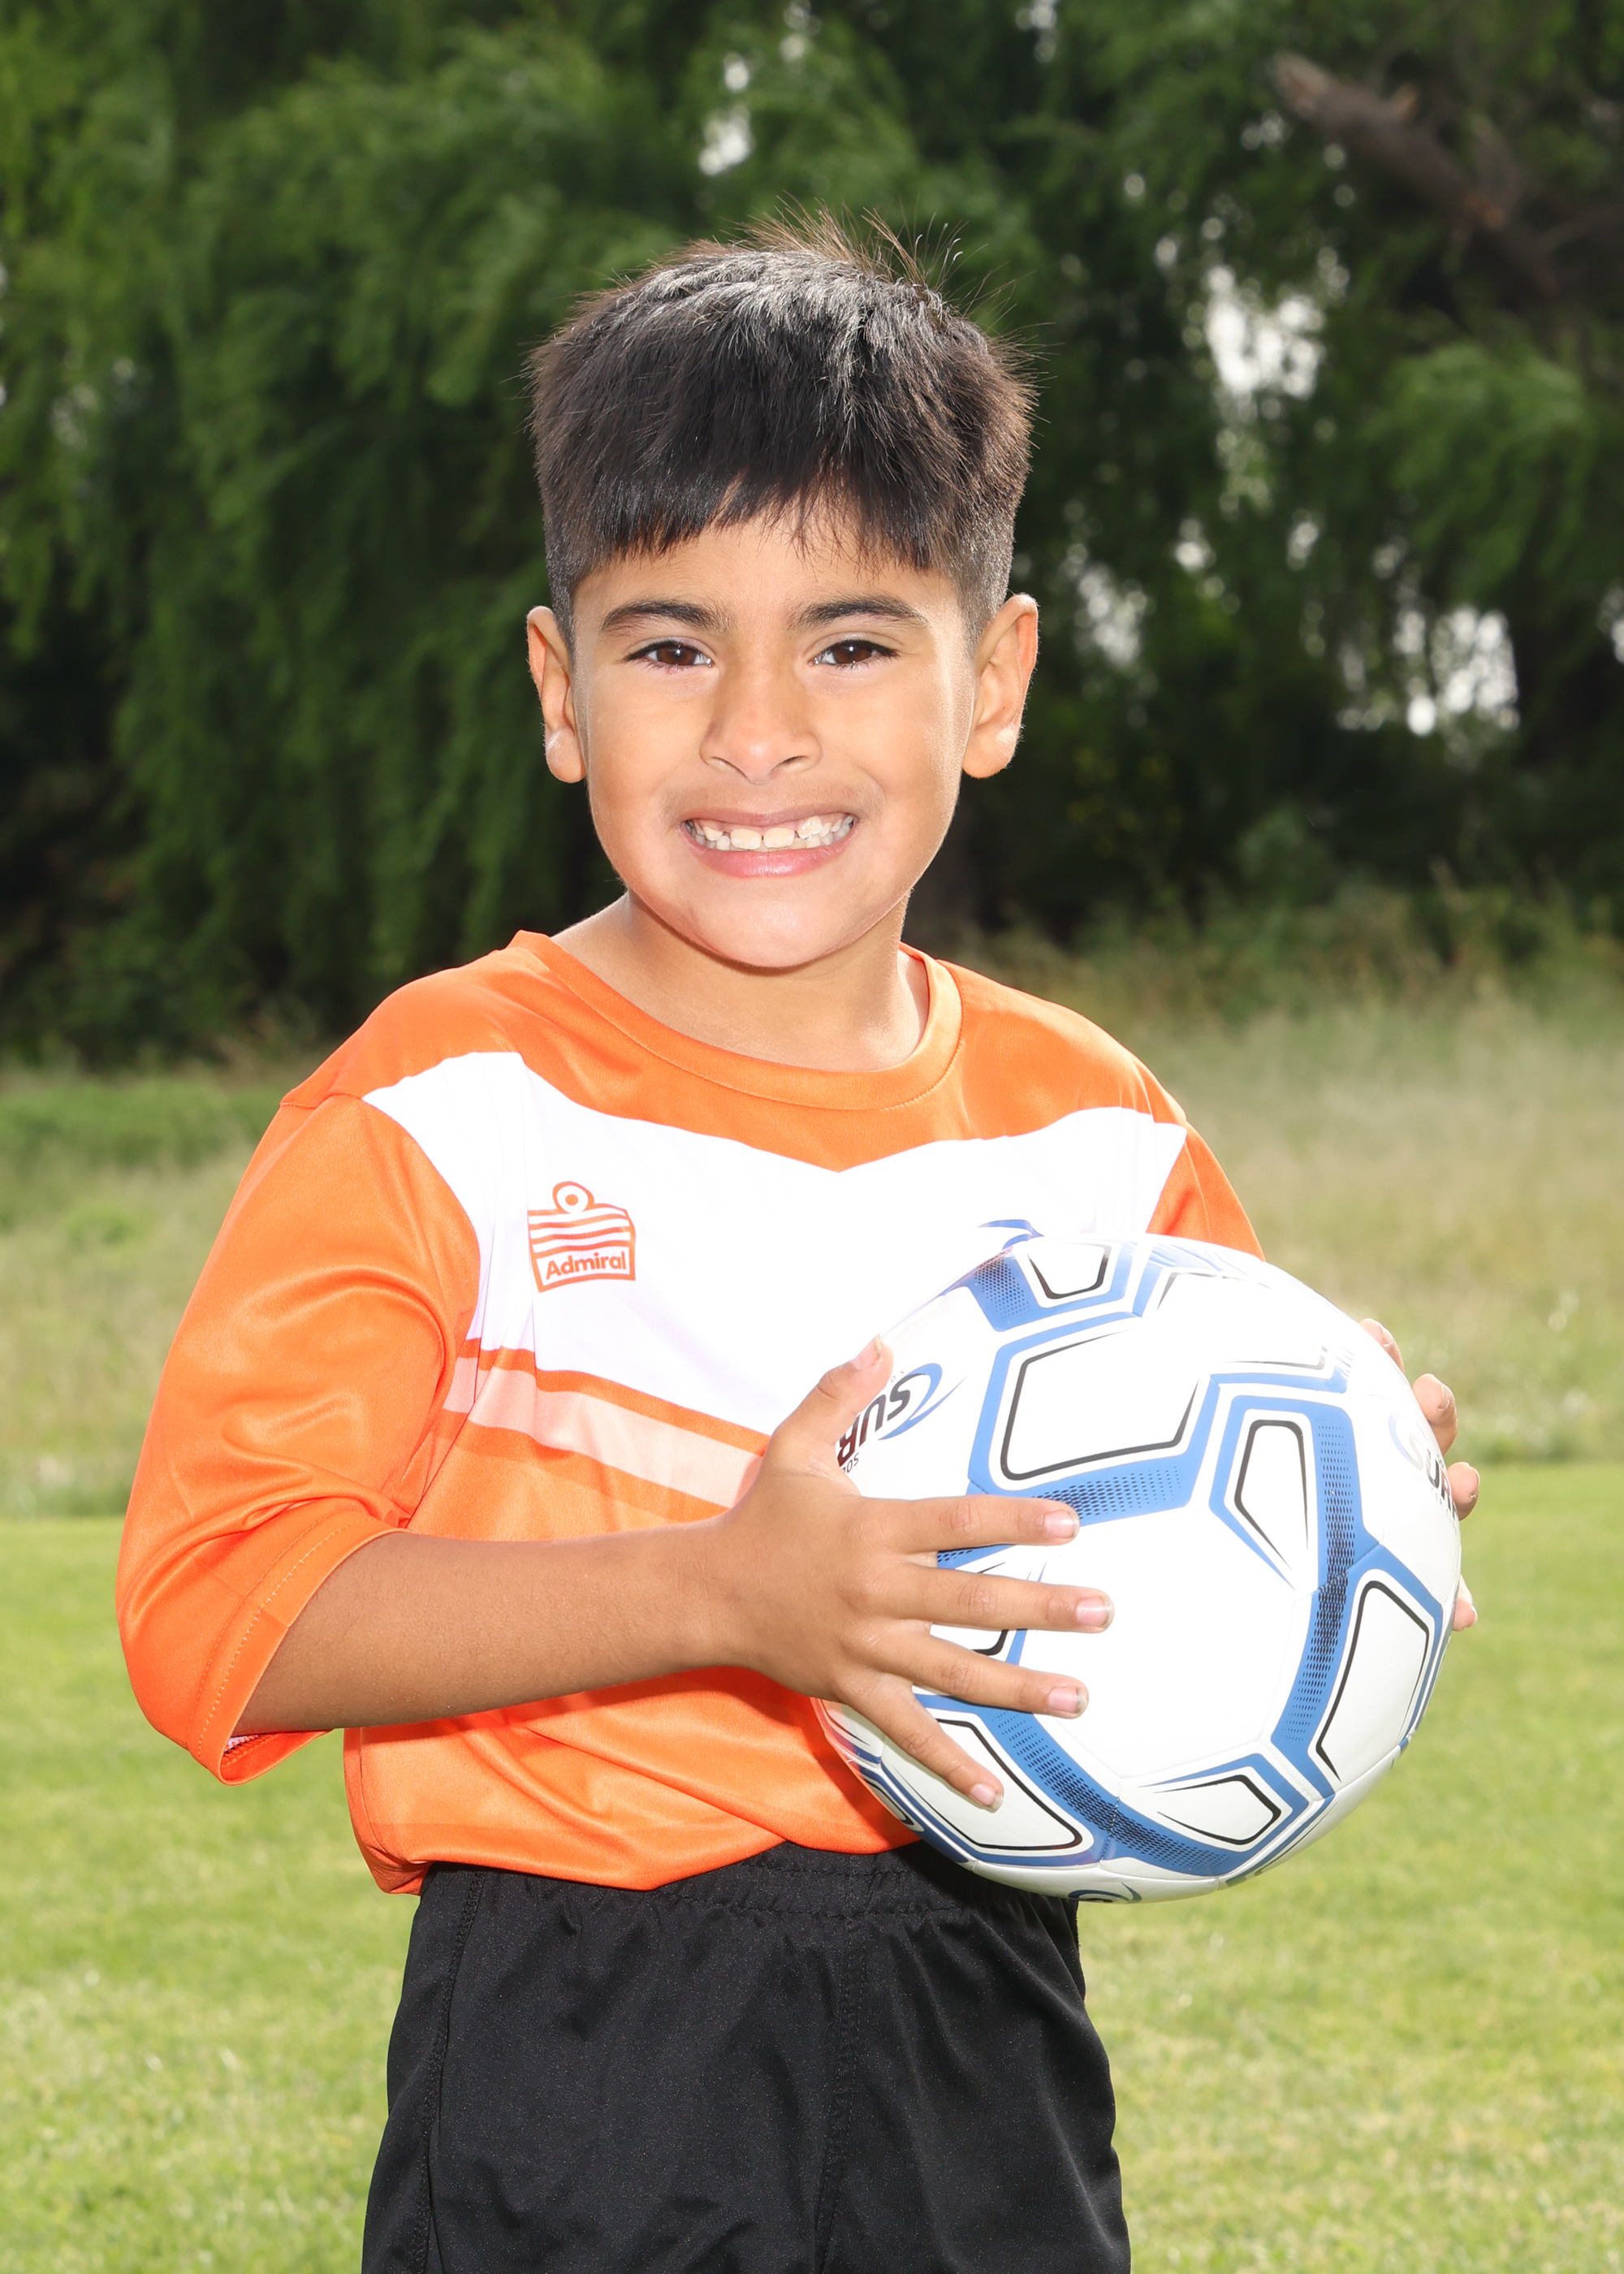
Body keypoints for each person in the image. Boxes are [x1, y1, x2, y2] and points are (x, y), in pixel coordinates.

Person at [117, 215, 1478, 2274]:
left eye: (849, 643)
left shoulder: (1100, 1134)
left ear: (990, 680)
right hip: (581, 2034)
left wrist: (1363, 1521)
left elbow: (1192, 1587)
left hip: (983, 2013)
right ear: (563, 691)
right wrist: (724, 1593)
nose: (756, 730)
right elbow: (220, 1607)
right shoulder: (442, 1101)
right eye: (671, 646)